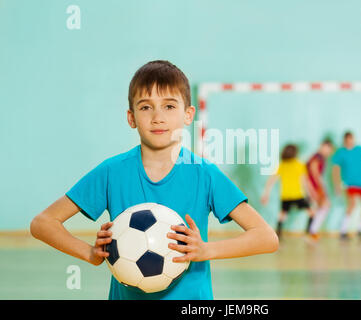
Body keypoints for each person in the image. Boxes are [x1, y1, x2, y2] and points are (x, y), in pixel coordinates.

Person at [30, 60, 278, 300]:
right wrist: (89, 252)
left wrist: (206, 250)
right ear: (131, 117)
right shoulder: (111, 171)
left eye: (169, 106)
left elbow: (266, 238)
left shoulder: (204, 173)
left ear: (188, 114)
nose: (158, 117)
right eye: (146, 107)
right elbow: (42, 223)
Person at [260, 144, 315, 239]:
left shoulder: (282, 165)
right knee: (311, 213)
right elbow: (305, 182)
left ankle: (277, 236)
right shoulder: (300, 164)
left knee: (282, 216)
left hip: (285, 196)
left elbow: (271, 180)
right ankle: (308, 233)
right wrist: (312, 193)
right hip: (297, 195)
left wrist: (266, 194)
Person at [305, 138, 334, 238]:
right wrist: (318, 188)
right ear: (322, 146)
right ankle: (311, 232)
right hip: (313, 187)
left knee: (318, 208)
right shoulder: (317, 157)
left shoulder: (319, 157)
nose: (328, 152)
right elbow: (314, 173)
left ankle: (311, 232)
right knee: (322, 206)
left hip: (313, 186)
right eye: (327, 149)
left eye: (330, 150)